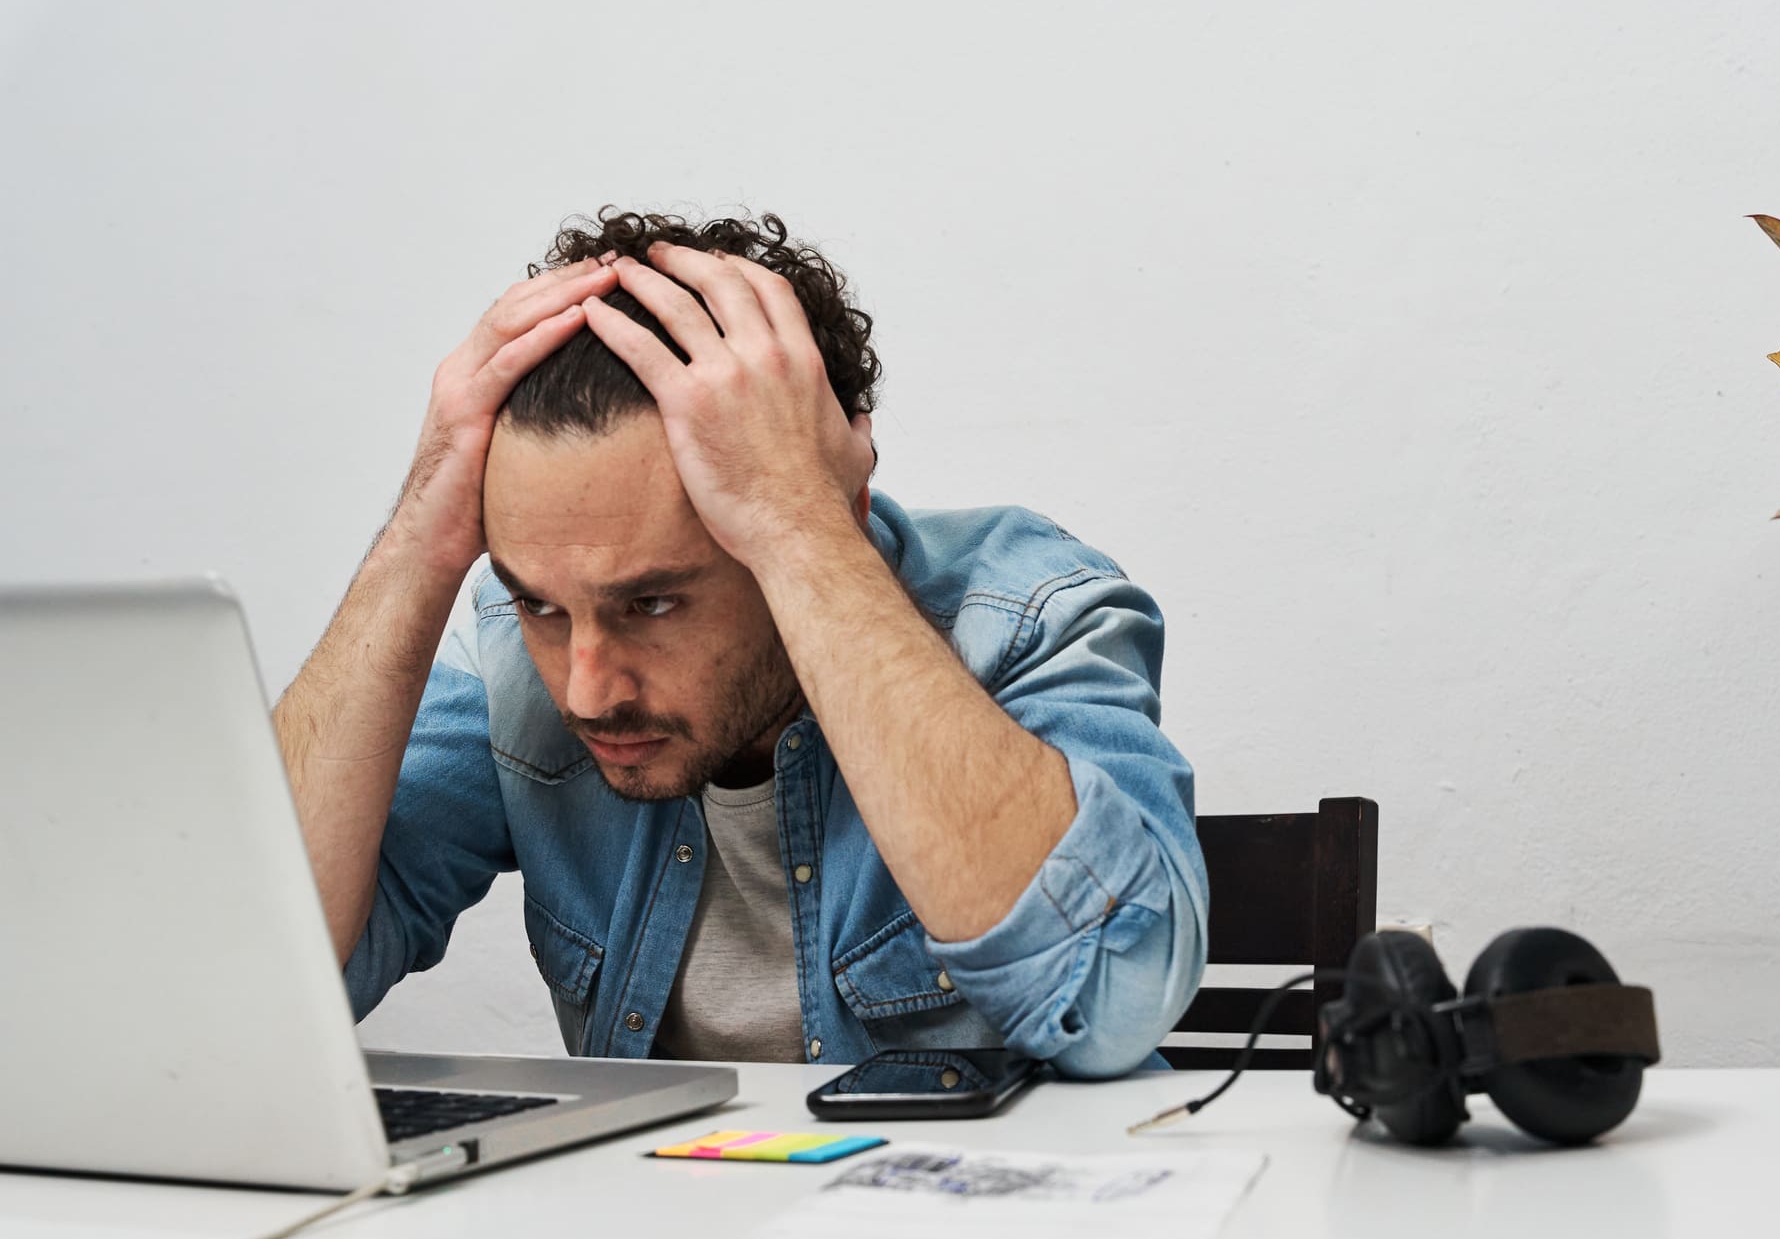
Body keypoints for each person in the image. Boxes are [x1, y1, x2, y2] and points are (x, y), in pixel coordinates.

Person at [272, 210, 1208, 1076]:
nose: (588, 691)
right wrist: (413, 555)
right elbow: (261, 992)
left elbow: (1111, 1003)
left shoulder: (1025, 610)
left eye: (653, 603)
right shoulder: (512, 667)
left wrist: (805, 529)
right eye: (541, 606)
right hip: (660, 1238)